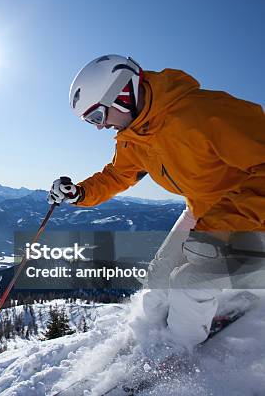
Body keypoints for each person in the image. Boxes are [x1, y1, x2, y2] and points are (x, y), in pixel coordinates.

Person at [47, 54, 265, 348]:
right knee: (158, 278)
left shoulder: (204, 114)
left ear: (123, 94)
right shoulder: (135, 137)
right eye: (90, 121)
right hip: (202, 209)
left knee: (188, 284)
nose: (98, 127)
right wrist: (80, 193)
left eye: (97, 116)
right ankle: (153, 336)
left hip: (250, 217)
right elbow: (117, 175)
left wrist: (222, 224)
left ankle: (181, 353)